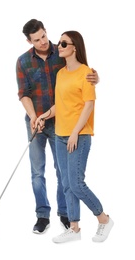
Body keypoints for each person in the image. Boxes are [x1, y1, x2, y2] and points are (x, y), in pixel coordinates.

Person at [16, 19, 99, 234]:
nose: (43, 42)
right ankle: (43, 216)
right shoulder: (23, 61)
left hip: (62, 122)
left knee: (63, 172)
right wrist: (35, 117)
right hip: (37, 120)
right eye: (37, 39)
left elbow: (80, 74)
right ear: (29, 40)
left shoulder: (61, 51)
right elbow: (23, 93)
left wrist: (95, 77)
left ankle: (66, 214)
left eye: (44, 36)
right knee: (37, 171)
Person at [35, 30, 114, 243]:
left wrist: (75, 133)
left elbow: (89, 105)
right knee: (67, 183)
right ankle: (75, 228)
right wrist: (45, 115)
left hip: (78, 135)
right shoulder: (61, 74)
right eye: (58, 43)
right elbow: (60, 105)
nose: (58, 46)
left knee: (77, 183)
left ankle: (104, 219)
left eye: (63, 43)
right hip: (60, 134)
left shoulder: (86, 73)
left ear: (74, 47)